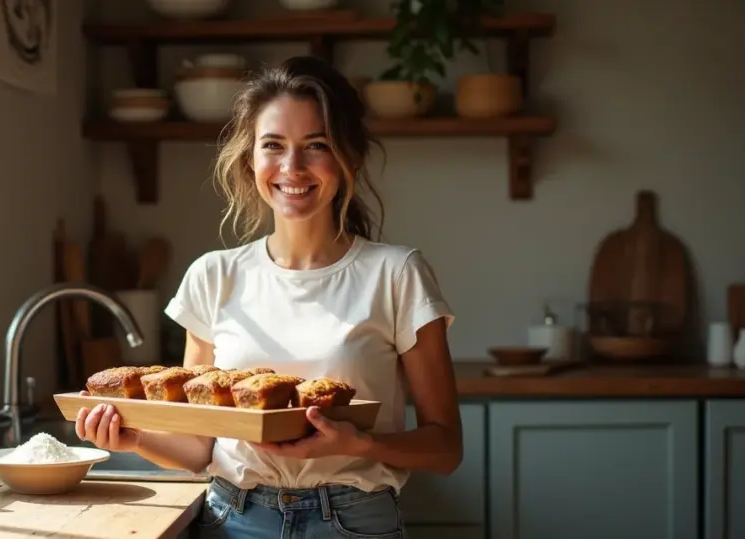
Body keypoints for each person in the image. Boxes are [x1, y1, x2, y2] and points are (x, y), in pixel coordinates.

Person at [75, 55, 462, 539]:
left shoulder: (397, 273)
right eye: (273, 145)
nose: (292, 167)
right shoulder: (213, 276)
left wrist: (358, 443)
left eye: (315, 145)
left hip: (352, 522)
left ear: (349, 157)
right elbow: (199, 447)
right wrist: (133, 438)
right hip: (231, 519)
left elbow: (445, 449)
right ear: (250, 158)